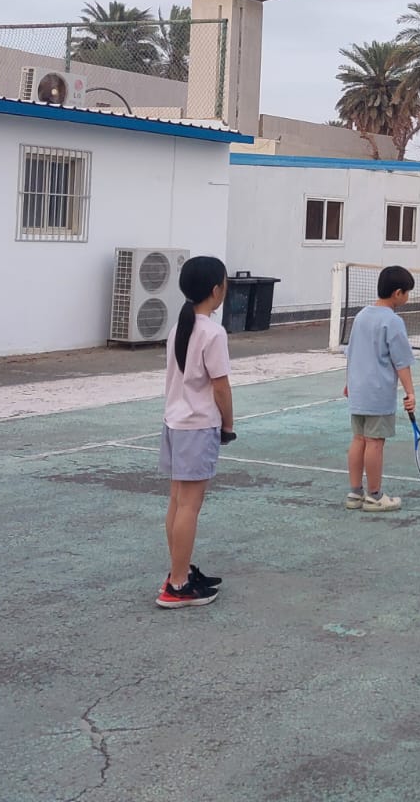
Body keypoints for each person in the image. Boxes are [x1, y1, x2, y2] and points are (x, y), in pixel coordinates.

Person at [157, 255, 235, 609]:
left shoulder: (181, 327)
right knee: (189, 506)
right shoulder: (213, 332)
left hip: (175, 423)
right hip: (198, 425)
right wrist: (229, 424)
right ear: (216, 290)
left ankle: (181, 570)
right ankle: (177, 584)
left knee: (177, 501)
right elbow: (221, 386)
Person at [345, 265, 417, 513]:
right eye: (407, 293)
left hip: (358, 391)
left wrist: (349, 383)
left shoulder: (361, 316)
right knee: (375, 442)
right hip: (378, 394)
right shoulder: (393, 321)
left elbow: (352, 353)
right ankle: (375, 496)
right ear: (398, 293)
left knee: (358, 439)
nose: (408, 297)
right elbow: (401, 362)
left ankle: (355, 493)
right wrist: (410, 392)